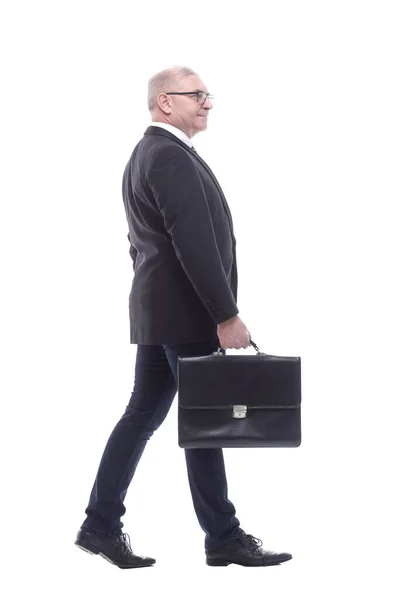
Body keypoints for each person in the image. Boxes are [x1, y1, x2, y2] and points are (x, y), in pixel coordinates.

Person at [74, 66, 292, 568]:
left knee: (143, 415)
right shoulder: (167, 156)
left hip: (160, 313)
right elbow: (192, 244)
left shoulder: (147, 155)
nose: (208, 102)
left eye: (208, 94)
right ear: (164, 102)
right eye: (197, 94)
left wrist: (155, 302)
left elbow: (140, 245)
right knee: (205, 422)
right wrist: (226, 314)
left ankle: (99, 525)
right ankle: (223, 537)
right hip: (187, 315)